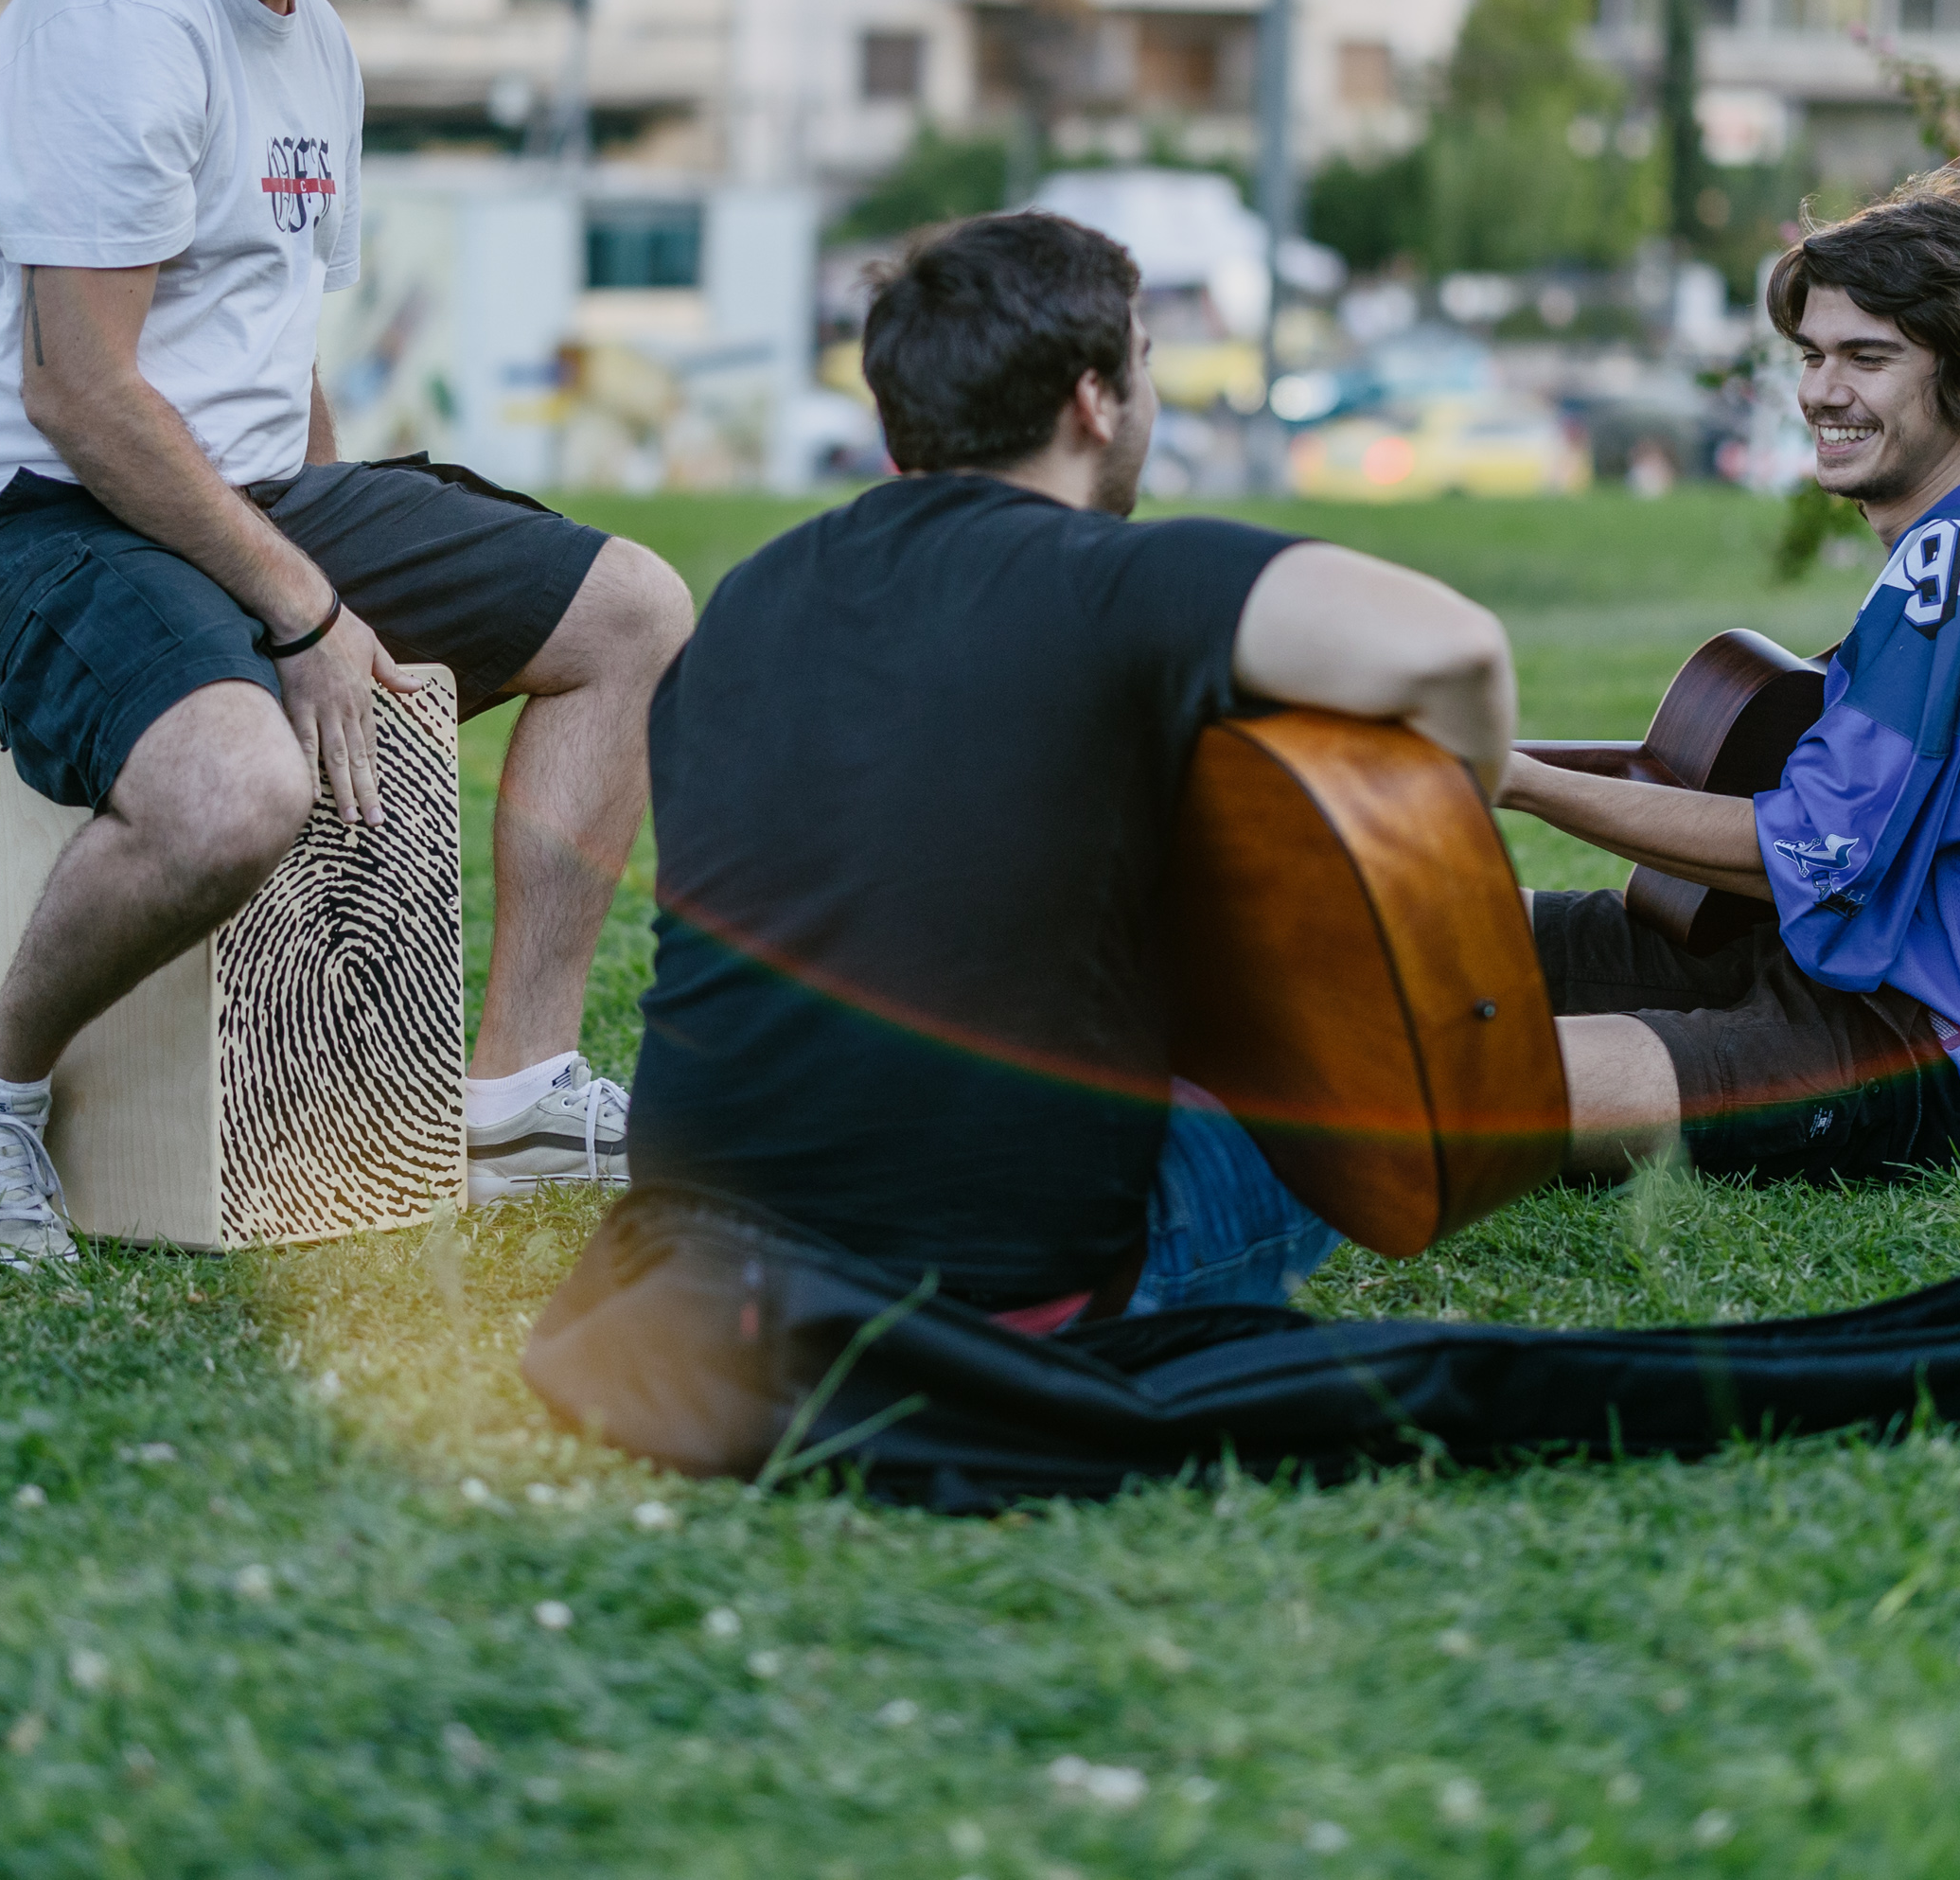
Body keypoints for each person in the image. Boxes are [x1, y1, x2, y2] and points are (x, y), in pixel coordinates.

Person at [0, 0, 692, 1266]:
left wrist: (327, 548)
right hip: (22, 523)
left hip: (227, 500)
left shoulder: (309, 26)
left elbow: (271, 353)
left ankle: (517, 1088)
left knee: (633, 613)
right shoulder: (118, 29)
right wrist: (307, 617)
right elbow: (81, 397)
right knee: (237, 785)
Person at [625, 212, 1671, 1320]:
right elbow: (1452, 648)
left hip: (695, 1243)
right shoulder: (1115, 576)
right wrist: (1435, 870)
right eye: (1147, 362)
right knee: (1348, 1085)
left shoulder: (750, 594)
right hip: (999, 1278)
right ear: (1093, 400)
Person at [1495, 168, 1960, 1179]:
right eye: (1813, 354)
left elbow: (1811, 855)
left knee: (1473, 1080)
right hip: (1914, 960)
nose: (1822, 389)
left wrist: (1512, 780)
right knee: (1446, 932)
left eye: (1868, 356)